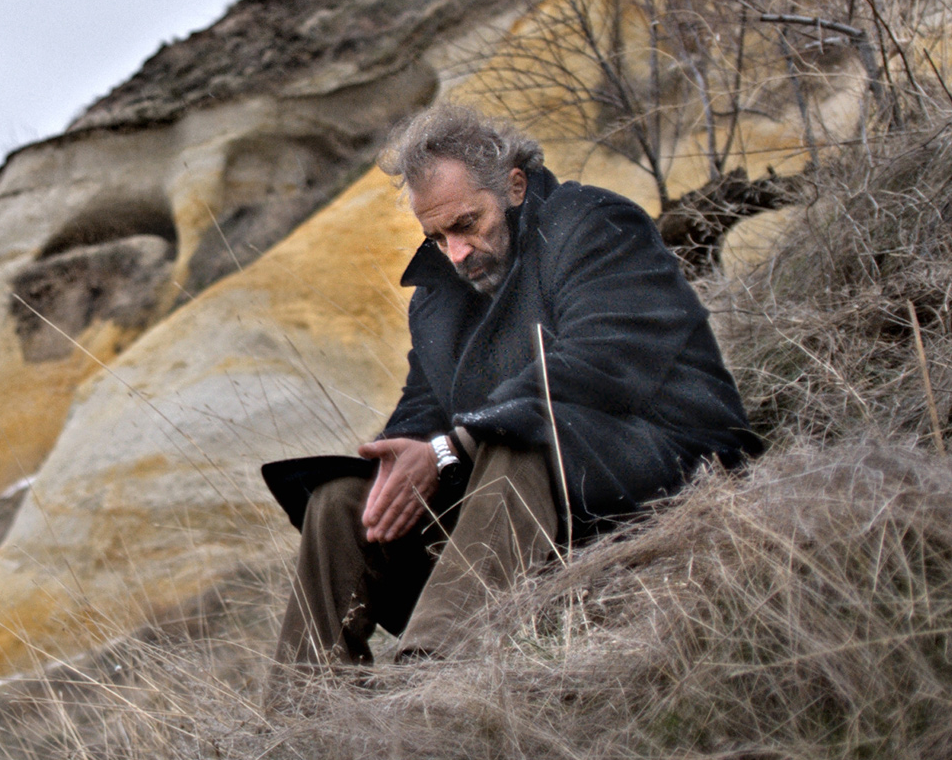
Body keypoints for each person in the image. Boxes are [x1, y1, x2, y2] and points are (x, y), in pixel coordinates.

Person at [264, 103, 760, 669]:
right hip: (532, 499)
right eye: (437, 235)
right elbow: (427, 404)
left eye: (467, 224)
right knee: (343, 501)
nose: (454, 252)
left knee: (515, 438)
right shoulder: (438, 296)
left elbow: (601, 360)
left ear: (515, 187)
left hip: (663, 458)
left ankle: (435, 668)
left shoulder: (593, 223)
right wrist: (403, 452)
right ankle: (307, 705)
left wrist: (453, 447)